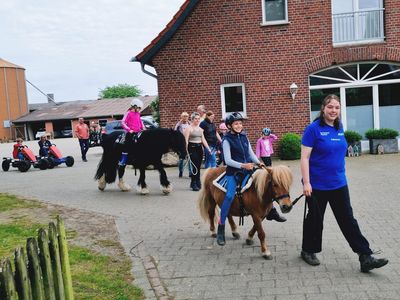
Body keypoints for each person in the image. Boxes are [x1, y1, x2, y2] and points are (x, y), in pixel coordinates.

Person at [300, 94, 388, 272]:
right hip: (317, 185)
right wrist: (306, 183)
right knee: (315, 220)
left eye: (337, 107)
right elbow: (304, 158)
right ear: (323, 108)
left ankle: (365, 256)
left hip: (339, 183)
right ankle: (308, 250)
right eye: (330, 107)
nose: (333, 110)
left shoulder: (339, 128)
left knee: (348, 220)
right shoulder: (313, 129)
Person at [216, 112, 286, 246]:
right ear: (230, 126)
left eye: (240, 123)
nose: (239, 126)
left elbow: (250, 152)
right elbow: (228, 160)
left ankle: (271, 211)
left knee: (266, 184)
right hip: (234, 172)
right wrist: (243, 165)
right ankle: (221, 226)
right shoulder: (226, 140)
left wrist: (258, 162)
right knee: (229, 196)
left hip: (249, 168)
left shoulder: (243, 135)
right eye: (236, 124)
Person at [255, 128, 285, 222]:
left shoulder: (269, 139)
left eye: (267, 134)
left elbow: (275, 138)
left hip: (268, 155)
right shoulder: (259, 140)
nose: (266, 136)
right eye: (264, 134)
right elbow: (257, 150)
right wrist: (257, 159)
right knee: (266, 167)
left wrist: (270, 135)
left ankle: (271, 211)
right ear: (262, 133)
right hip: (263, 156)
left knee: (270, 166)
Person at [184, 112, 211, 191]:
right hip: (192, 147)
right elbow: (186, 141)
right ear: (192, 119)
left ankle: (198, 182)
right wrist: (186, 151)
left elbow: (203, 139)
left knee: (198, 166)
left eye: (199, 119)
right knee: (195, 166)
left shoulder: (200, 129)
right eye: (196, 119)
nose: (197, 120)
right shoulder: (189, 128)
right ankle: (193, 183)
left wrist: (208, 149)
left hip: (199, 148)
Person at [118, 98, 146, 166]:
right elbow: (123, 122)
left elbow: (140, 122)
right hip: (131, 132)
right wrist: (129, 130)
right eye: (139, 108)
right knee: (127, 144)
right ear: (135, 106)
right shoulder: (128, 113)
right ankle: (123, 160)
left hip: (139, 132)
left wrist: (144, 128)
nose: (140, 110)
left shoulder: (138, 113)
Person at [174, 112, 191, 177]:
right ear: (181, 117)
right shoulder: (179, 125)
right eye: (184, 116)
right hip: (181, 144)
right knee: (182, 158)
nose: (185, 118)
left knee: (190, 158)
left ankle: (190, 173)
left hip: (189, 143)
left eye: (186, 116)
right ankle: (181, 171)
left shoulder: (190, 124)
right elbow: (175, 132)